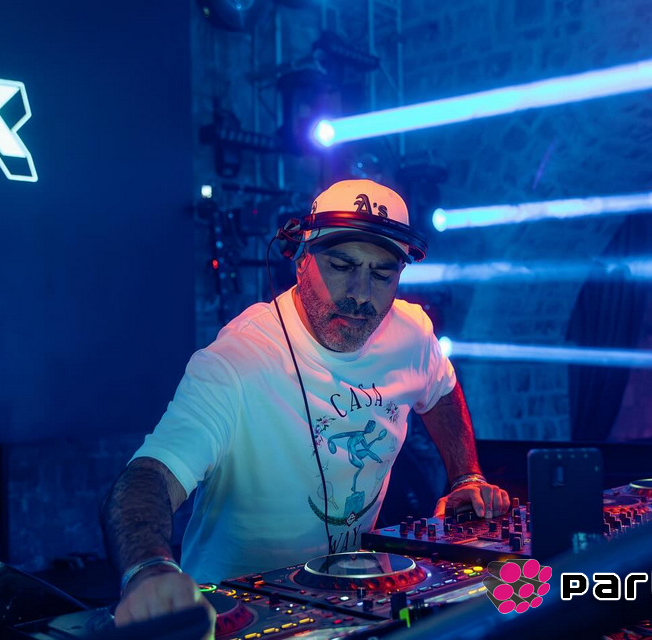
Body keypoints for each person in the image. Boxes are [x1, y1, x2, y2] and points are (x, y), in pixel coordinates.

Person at [101, 179, 510, 627]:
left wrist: (466, 475)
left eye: (381, 275)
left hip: (349, 602)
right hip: (237, 615)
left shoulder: (411, 332)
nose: (360, 294)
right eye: (341, 265)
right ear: (301, 260)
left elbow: (442, 391)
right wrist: (148, 569)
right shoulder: (237, 360)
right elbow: (150, 477)